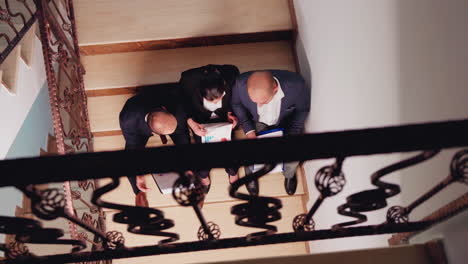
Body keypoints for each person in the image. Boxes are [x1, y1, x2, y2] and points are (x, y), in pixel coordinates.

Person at [179, 64, 257, 194]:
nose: (215, 103)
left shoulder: (232, 75)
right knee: (202, 155)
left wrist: (232, 114)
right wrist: (191, 122)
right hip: (200, 121)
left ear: (224, 84)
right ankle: (204, 177)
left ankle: (232, 172)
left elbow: (237, 100)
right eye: (210, 100)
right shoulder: (188, 80)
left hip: (224, 119)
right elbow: (181, 104)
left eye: (218, 99)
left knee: (229, 151)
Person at [232, 70, 310, 195]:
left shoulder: (297, 85)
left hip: (285, 121)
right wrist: (249, 130)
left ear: (275, 89)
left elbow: (302, 110)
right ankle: (251, 174)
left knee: (293, 151)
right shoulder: (240, 83)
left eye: (263, 101)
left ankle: (289, 173)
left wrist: (292, 135)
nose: (259, 105)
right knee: (250, 150)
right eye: (254, 101)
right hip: (257, 121)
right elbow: (236, 104)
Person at [119, 87, 190, 206]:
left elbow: (183, 135)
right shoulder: (128, 120)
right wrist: (139, 174)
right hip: (139, 125)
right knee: (129, 161)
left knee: (188, 153)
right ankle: (139, 193)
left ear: (164, 109)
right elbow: (133, 149)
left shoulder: (177, 108)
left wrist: (188, 165)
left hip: (164, 105)